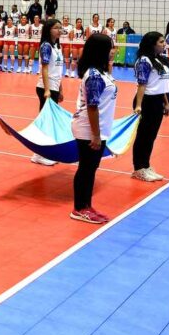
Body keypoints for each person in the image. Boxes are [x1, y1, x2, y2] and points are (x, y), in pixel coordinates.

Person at [70, 33, 118, 225]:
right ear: (101, 51)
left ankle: (87, 206)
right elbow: (92, 106)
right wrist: (96, 135)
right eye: (111, 47)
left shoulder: (102, 72)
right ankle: (79, 208)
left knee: (91, 169)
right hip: (88, 129)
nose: (114, 51)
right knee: (86, 168)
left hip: (98, 128)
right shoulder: (95, 76)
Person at [131, 32, 169, 182]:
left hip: (157, 100)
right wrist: (138, 105)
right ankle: (138, 169)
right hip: (146, 101)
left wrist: (166, 102)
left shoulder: (159, 59)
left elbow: (161, 83)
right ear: (152, 44)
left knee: (151, 136)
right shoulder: (144, 60)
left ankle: (146, 165)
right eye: (161, 42)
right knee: (143, 136)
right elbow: (142, 84)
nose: (164, 44)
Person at [32, 19, 65, 167]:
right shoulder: (46, 46)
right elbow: (44, 69)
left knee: (50, 120)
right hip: (46, 88)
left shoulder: (57, 47)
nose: (59, 30)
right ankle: (38, 154)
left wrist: (60, 89)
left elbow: (57, 71)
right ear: (48, 30)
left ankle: (41, 153)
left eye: (60, 28)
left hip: (54, 87)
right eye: (56, 28)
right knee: (46, 120)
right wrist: (47, 90)